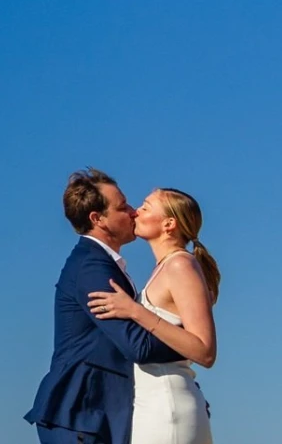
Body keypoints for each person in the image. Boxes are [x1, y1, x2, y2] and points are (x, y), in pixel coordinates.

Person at [25, 169, 187, 443]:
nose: (134, 212)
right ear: (98, 219)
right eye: (123, 207)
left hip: (98, 414)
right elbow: (137, 345)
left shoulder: (103, 264)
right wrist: (193, 343)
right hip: (81, 413)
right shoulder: (91, 267)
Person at [87, 188, 220, 444]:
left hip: (167, 406)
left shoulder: (180, 265)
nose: (135, 211)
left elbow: (205, 350)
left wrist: (134, 310)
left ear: (169, 224)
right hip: (154, 403)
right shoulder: (164, 268)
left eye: (146, 207)